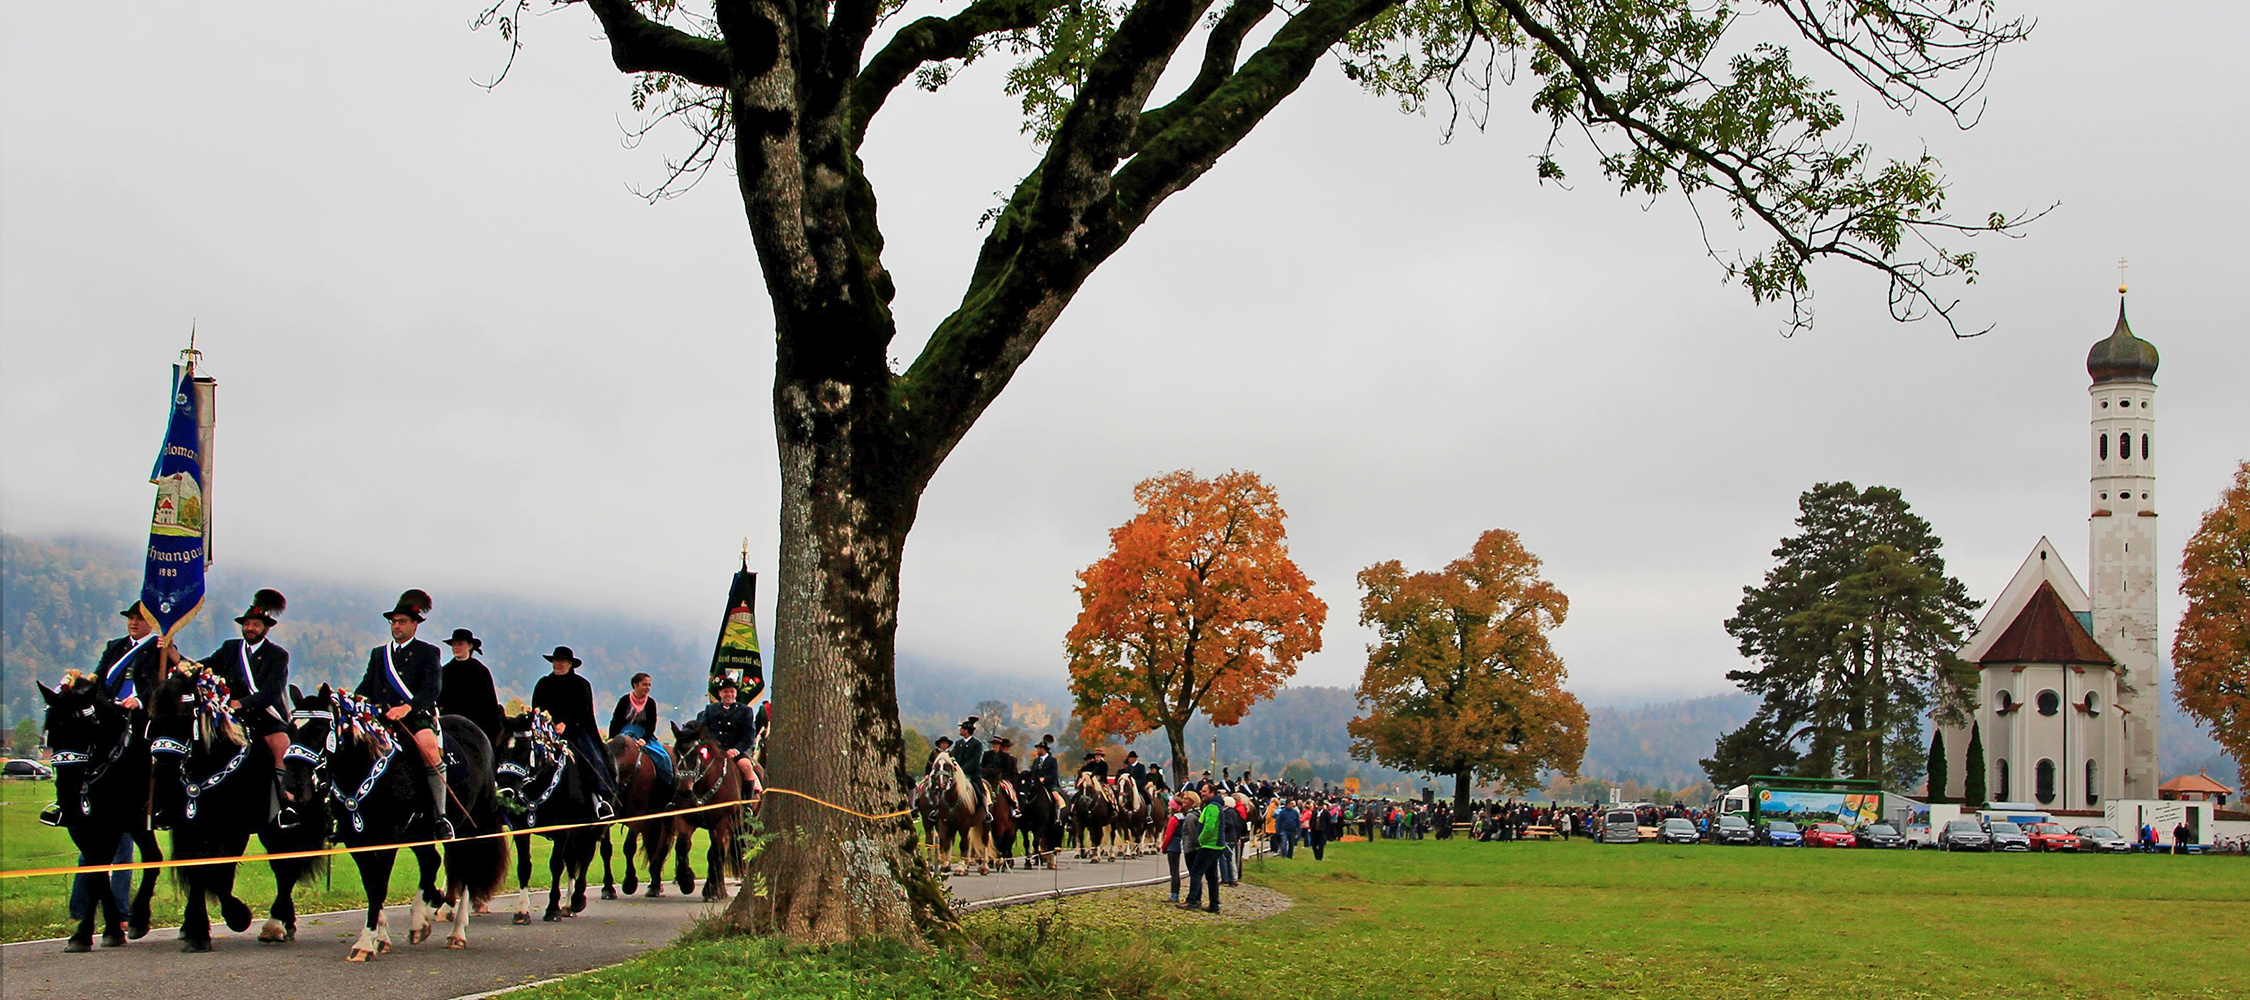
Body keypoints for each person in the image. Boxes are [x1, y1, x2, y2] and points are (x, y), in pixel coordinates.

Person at [42, 601, 166, 827]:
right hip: (110, 710)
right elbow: (98, 677)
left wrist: (139, 700)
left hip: (141, 714)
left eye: (139, 619)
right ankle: (66, 803)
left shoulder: (160, 649)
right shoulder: (115, 647)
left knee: (158, 751)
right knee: (77, 740)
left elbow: (161, 683)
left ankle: (158, 805)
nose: (133, 622)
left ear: (151, 623)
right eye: (130, 618)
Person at [354, 590, 453, 838]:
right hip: (381, 719)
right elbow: (367, 685)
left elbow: (432, 689)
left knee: (429, 749)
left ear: (414, 625)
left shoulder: (428, 652)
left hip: (414, 716)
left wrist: (407, 707)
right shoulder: (379, 654)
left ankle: (441, 816)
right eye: (393, 622)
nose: (396, 626)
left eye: (401, 622)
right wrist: (353, 700)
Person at [199, 589, 293, 825]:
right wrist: (179, 661)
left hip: (263, 717)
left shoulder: (278, 655)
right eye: (247, 624)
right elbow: (206, 666)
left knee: (281, 744)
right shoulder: (230, 649)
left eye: (255, 624)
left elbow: (270, 693)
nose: (249, 628)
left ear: (266, 628)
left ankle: (285, 803)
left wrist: (240, 703)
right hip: (230, 717)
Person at [532, 646, 617, 820]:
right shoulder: (543, 684)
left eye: (562, 661)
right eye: (556, 660)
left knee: (593, 760)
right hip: (546, 734)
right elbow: (536, 708)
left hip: (576, 733)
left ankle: (600, 799)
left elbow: (585, 712)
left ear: (570, 664)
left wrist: (567, 724)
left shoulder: (581, 685)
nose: (558, 664)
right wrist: (544, 723)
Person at [438, 628, 505, 749]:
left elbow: (490, 705)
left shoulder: (481, 671)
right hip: (449, 727)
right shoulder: (445, 671)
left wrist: (495, 732)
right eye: (454, 644)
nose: (456, 647)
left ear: (470, 646)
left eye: (460, 644)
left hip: (477, 728)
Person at [691, 677, 758, 790]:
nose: (729, 694)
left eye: (732, 691)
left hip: (737, 752)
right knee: (694, 765)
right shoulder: (710, 709)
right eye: (726, 691)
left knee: (746, 767)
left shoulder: (745, 711)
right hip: (714, 751)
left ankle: (747, 804)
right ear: (720, 693)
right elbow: (703, 730)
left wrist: (736, 750)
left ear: (736, 693)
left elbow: (749, 736)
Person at [608, 671, 673, 786]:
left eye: (649, 685)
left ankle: (664, 784)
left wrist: (644, 739)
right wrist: (612, 737)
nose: (647, 688)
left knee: (662, 757)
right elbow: (615, 720)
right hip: (625, 732)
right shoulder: (624, 700)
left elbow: (651, 724)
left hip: (644, 734)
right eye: (644, 684)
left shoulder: (650, 703)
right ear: (635, 685)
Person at [1182, 790, 1223, 913]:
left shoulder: (1211, 807)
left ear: (1212, 793)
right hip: (1211, 845)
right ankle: (1214, 904)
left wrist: (1199, 841)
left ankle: (1192, 900)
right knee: (1211, 876)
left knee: (1196, 873)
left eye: (1205, 791)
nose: (1202, 793)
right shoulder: (1207, 807)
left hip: (1208, 845)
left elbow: (1208, 828)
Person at [1162, 792, 1193, 903]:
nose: (1168, 807)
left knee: (1173, 872)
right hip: (1178, 845)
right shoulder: (1182, 818)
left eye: (1170, 805)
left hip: (1172, 847)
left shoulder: (1173, 819)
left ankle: (1174, 895)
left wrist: (1164, 847)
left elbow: (1168, 835)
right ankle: (1175, 894)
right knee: (1175, 871)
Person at [1026, 735, 1064, 813]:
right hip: (1036, 785)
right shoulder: (1035, 761)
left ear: (1043, 749)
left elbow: (1054, 775)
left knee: (1056, 797)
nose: (1037, 750)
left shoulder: (1052, 760)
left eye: (1039, 748)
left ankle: (1057, 817)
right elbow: (1033, 773)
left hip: (1050, 785)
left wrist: (1044, 779)